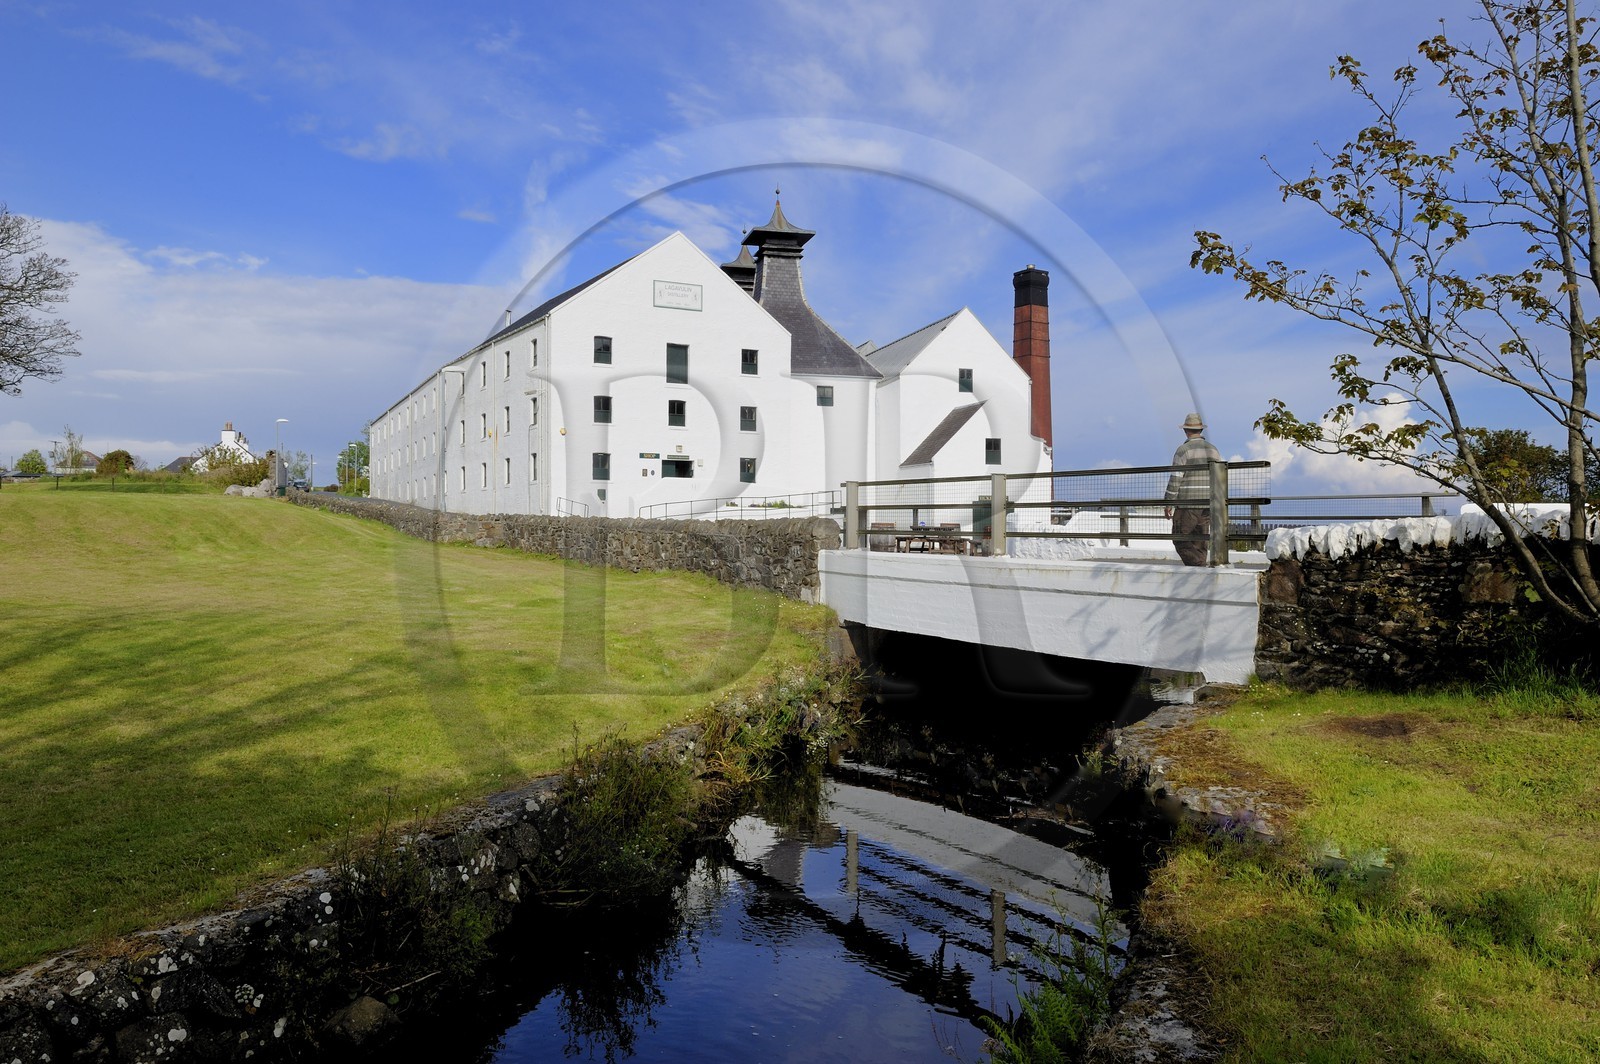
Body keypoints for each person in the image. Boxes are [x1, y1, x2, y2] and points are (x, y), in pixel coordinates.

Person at [1164, 412, 1221, 566]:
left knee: (1179, 538)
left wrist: (1168, 502)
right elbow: (1218, 477)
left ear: (1185, 430)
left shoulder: (1183, 450)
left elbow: (1176, 478)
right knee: (1200, 541)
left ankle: (1199, 566)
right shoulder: (1213, 450)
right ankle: (1200, 572)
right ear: (1200, 430)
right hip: (1208, 502)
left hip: (1187, 503)